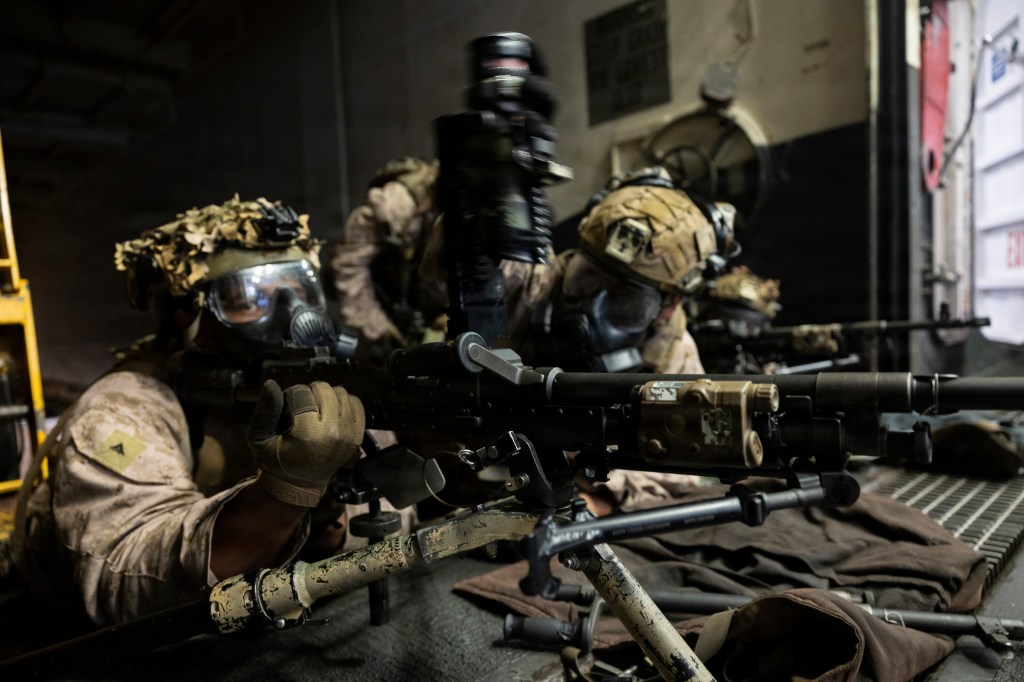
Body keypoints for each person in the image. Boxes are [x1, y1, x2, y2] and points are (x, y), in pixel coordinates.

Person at [12, 195, 404, 626]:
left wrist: (329, 522)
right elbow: (125, 586)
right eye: (248, 296)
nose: (291, 315)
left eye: (298, 291)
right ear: (188, 317)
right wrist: (284, 495)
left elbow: (397, 520)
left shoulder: (319, 385)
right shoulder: (122, 409)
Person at [329, 156, 446, 366]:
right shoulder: (401, 202)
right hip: (383, 313)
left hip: (432, 316)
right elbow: (349, 266)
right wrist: (379, 327)